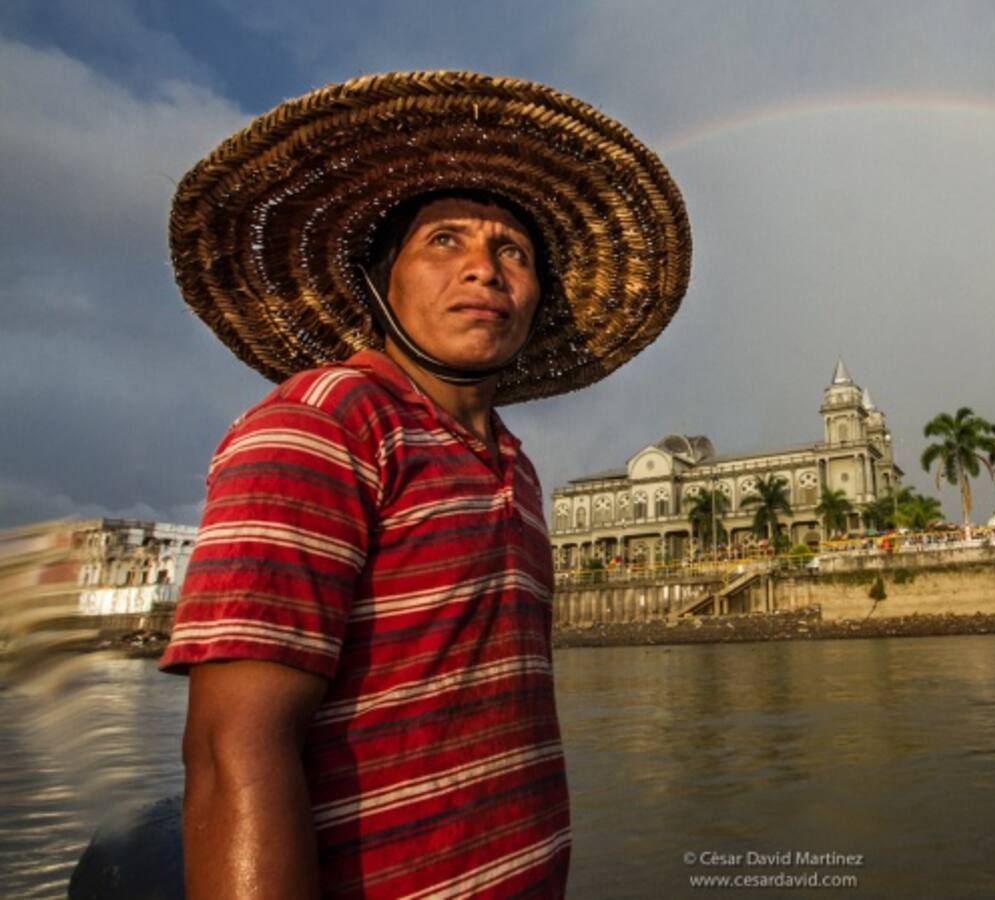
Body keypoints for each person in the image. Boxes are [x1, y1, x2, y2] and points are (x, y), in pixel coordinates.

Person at [158, 71, 690, 899]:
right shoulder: (323, 425)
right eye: (444, 241)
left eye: (511, 251)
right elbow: (234, 755)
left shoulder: (517, 467)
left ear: (536, 295)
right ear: (380, 283)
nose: (483, 270)